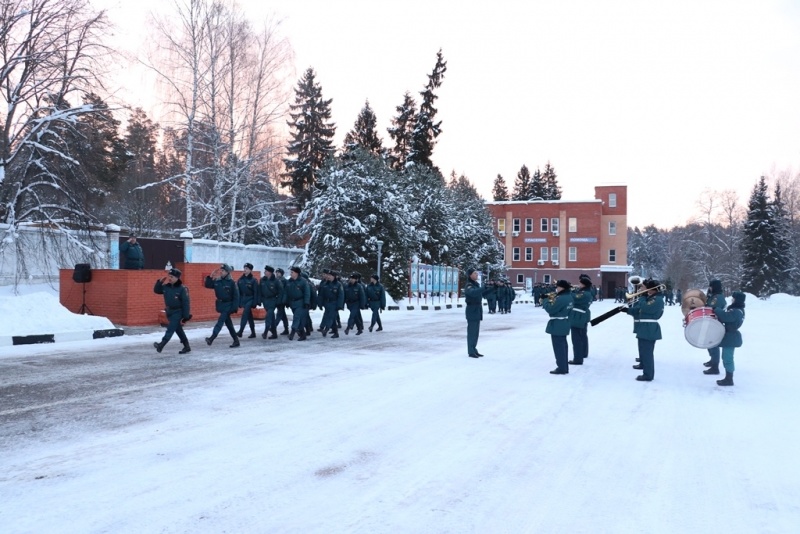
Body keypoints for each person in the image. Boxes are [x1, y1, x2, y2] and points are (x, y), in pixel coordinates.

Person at [625, 279, 664, 381]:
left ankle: (648, 375)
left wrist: (642, 297)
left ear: (651, 289)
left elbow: (645, 308)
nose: (643, 290)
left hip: (649, 328)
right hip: (645, 328)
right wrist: (626, 310)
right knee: (644, 351)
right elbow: (639, 310)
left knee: (647, 353)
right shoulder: (651, 298)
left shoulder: (657, 299)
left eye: (646, 288)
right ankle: (647, 372)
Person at [153, 268, 192, 354]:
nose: (169, 278)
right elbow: (156, 290)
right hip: (169, 311)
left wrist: (186, 316)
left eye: (172, 277)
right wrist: (159, 282)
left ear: (177, 278)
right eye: (169, 276)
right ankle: (187, 346)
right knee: (178, 330)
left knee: (170, 328)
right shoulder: (166, 287)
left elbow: (186, 303)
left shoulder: (182, 289)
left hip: (178, 312)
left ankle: (162, 344)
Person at [710, 291, 745, 386]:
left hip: (731, 337)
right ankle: (728, 378)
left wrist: (716, 309)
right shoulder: (737, 310)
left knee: (728, 358)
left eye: (733, 298)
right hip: (730, 336)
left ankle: (729, 379)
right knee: (726, 357)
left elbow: (725, 317)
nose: (732, 299)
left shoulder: (736, 311)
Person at [204, 264, 240, 348]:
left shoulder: (231, 283)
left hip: (228, 305)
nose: (221, 272)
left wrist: (234, 308)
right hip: (221, 305)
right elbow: (208, 285)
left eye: (223, 271)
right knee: (228, 324)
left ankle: (212, 338)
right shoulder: (218, 280)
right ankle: (236, 340)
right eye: (221, 270)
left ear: (227, 272)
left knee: (220, 321)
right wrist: (210, 276)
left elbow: (236, 296)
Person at [543, 280, 573, 374]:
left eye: (558, 287)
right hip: (564, 322)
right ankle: (564, 366)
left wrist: (545, 300)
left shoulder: (561, 298)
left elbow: (550, 309)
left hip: (558, 323)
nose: (557, 288)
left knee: (559, 347)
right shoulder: (569, 297)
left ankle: (562, 368)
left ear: (562, 288)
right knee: (563, 345)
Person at [464, 268, 491, 358]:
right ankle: (471, 351)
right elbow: (473, 293)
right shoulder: (469, 285)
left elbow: (482, 294)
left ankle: (474, 349)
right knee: (472, 332)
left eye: (476, 273)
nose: (477, 275)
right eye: (475, 273)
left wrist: (492, 288)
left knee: (476, 332)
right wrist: (483, 288)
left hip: (477, 309)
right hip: (472, 309)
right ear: (470, 275)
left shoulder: (476, 284)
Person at [568, 275, 593, 365]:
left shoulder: (584, 293)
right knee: (582, 336)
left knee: (576, 339)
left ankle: (578, 358)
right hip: (581, 316)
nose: (578, 284)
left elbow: (574, 298)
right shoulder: (586, 292)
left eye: (580, 283)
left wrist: (567, 290)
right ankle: (583, 353)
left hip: (578, 317)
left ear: (584, 284)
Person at [703, 279, 726, 374]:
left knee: (713, 344)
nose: (709, 288)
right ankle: (712, 360)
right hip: (712, 322)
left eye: (711, 286)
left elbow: (710, 308)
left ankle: (715, 367)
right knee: (709, 343)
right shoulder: (714, 296)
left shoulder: (717, 298)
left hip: (715, 323)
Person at [283, 266, 310, 340]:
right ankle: (303, 334)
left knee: (296, 318)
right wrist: (285, 301)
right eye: (290, 272)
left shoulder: (303, 281)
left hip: (300, 303)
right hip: (292, 303)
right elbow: (286, 292)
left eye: (292, 272)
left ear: (297, 273)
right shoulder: (289, 281)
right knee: (299, 320)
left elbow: (307, 293)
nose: (290, 274)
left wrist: (306, 302)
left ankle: (292, 333)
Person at [259, 265, 283, 339]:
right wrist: (260, 300)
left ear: (270, 272)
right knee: (272, 317)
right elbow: (259, 291)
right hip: (265, 301)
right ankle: (274, 334)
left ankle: (265, 332)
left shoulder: (276, 281)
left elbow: (281, 292)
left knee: (268, 316)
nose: (264, 272)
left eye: (266, 271)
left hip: (273, 301)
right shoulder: (262, 280)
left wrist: (278, 301)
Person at [319, 269, 345, 338]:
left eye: (330, 275)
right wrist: (320, 304)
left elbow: (341, 296)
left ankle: (326, 329)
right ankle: (336, 333)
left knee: (330, 317)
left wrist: (339, 305)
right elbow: (321, 295)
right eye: (328, 275)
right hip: (327, 303)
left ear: (334, 277)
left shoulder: (338, 285)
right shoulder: (325, 284)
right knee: (331, 318)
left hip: (334, 303)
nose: (328, 277)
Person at [236, 263, 259, 339]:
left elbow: (256, 292)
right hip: (243, 299)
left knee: (245, 314)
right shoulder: (240, 279)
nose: (245, 270)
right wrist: (239, 302)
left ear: (250, 270)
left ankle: (240, 331)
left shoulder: (253, 280)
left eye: (247, 269)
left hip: (250, 299)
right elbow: (238, 291)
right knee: (249, 317)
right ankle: (253, 333)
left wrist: (255, 302)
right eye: (244, 268)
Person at [274, 268, 290, 335]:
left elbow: (286, 291)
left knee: (279, 314)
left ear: (281, 273)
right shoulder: (275, 280)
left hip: (282, 300)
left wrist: (285, 301)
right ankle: (286, 329)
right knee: (283, 315)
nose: (277, 274)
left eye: (278, 272)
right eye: (276, 272)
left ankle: (273, 326)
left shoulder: (285, 281)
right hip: (277, 300)